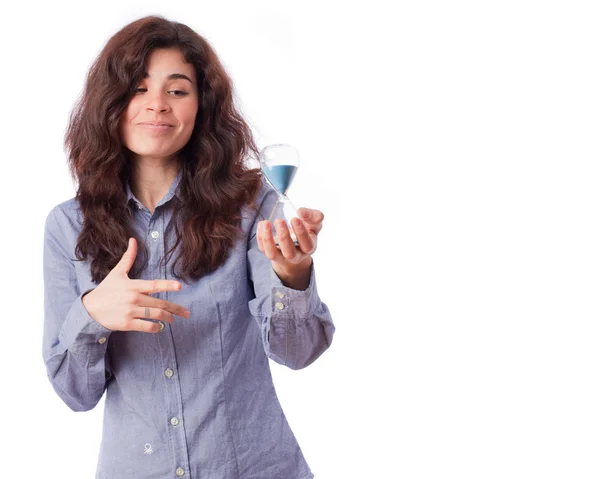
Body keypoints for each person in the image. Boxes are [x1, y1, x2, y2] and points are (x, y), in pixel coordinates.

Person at [42, 15, 335, 479]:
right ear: (110, 103)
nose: (157, 105)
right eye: (138, 89)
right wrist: (93, 314)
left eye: (177, 91)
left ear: (202, 107)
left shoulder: (252, 206)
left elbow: (298, 352)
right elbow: (75, 394)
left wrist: (292, 277)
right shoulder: (67, 226)